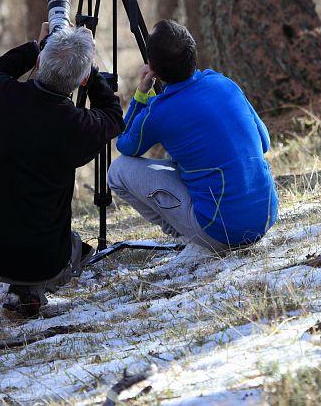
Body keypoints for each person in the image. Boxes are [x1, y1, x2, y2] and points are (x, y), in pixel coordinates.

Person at [0, 22, 123, 323]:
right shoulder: (76, 127)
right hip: (36, 260)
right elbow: (113, 116)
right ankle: (26, 293)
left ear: (40, 63)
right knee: (74, 247)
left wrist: (34, 47)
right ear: (80, 80)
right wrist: (92, 76)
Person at [107, 20, 277, 256]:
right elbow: (264, 142)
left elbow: (125, 145)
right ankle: (195, 230)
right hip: (266, 217)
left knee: (118, 171)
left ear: (154, 68)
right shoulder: (224, 83)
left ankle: (188, 236)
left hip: (221, 232)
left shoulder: (160, 111)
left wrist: (142, 93)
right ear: (193, 53)